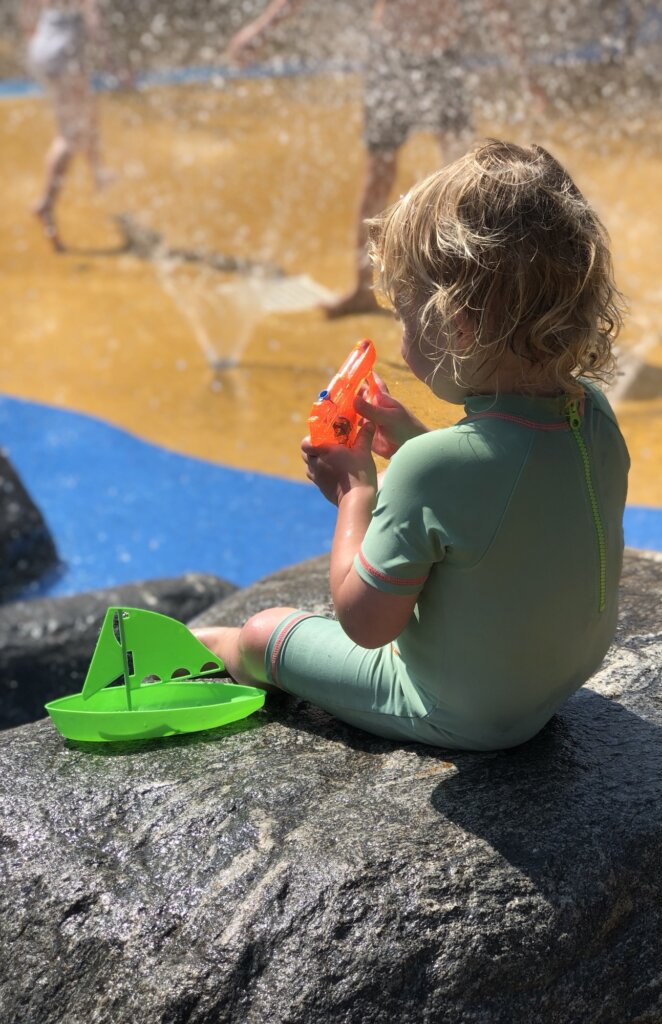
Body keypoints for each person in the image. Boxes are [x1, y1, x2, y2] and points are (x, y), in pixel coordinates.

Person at [195, 140, 630, 752]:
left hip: (466, 711)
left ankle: (226, 653)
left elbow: (366, 624)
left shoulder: (435, 470)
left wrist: (355, 492)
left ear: (459, 324)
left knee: (266, 629)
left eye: (403, 314)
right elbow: (501, 504)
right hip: (552, 682)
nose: (400, 337)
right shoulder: (593, 412)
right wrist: (409, 443)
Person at [227, 0, 544, 317]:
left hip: (443, 58)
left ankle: (465, 289)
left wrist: (526, 73)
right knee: (378, 176)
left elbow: (496, 8)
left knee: (462, 174)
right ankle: (361, 287)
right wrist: (261, 29)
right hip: (391, 57)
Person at [22, 0, 114, 251]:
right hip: (66, 50)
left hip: (44, 43)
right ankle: (46, 204)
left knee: (89, 111)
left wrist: (33, 39)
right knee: (68, 134)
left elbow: (27, 11)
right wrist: (110, 58)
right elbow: (94, 16)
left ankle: (98, 171)